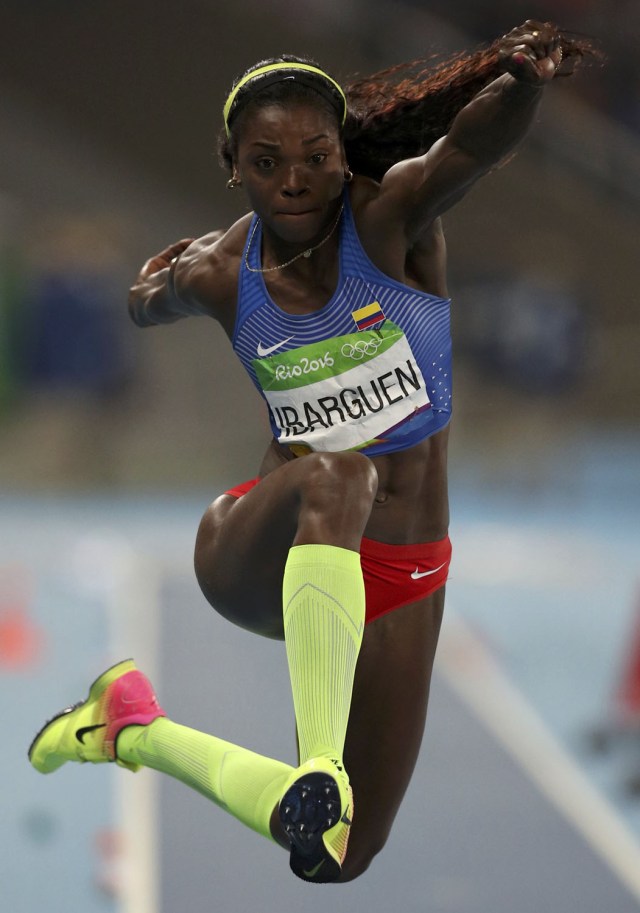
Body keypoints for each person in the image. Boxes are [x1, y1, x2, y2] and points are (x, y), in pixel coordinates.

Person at [28, 21, 597, 884]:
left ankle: (125, 728)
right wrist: (155, 284)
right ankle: (319, 766)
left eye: (314, 157)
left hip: (405, 569)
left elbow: (467, 150)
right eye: (265, 162)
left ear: (342, 155)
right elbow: (148, 300)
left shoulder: (391, 223)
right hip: (263, 548)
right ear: (232, 163)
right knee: (340, 472)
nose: (293, 180)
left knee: (337, 857)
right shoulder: (225, 272)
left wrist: (523, 82)